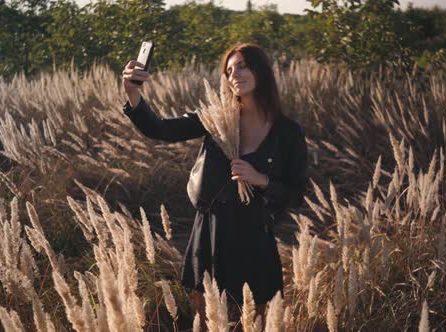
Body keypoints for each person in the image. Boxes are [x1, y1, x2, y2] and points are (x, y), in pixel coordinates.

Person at [121, 43, 308, 330]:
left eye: (243, 65)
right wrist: (133, 94)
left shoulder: (288, 132)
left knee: (256, 322)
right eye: (229, 70)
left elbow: (297, 193)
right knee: (210, 321)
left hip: (254, 238)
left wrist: (262, 180)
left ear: (261, 70)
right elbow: (160, 129)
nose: (235, 74)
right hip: (211, 234)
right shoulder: (215, 117)